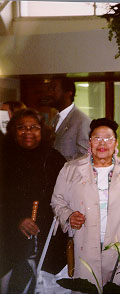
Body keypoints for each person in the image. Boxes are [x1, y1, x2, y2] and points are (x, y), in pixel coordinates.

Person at [51, 118, 120, 289]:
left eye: (108, 138)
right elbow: (57, 201)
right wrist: (68, 216)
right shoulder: (71, 169)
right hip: (85, 243)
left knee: (119, 288)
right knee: (88, 288)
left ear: (116, 142)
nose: (102, 143)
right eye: (97, 138)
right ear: (89, 142)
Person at [0, 108, 66, 293]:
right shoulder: (4, 158)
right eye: (21, 127)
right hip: (9, 239)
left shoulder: (53, 157)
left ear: (42, 131)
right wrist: (17, 219)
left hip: (47, 239)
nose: (28, 132)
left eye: (34, 127)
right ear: (12, 130)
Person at [48, 77, 91, 161]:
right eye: (49, 89)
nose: (49, 93)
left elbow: (84, 156)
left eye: (54, 89)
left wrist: (59, 164)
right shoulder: (54, 119)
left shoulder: (82, 121)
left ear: (68, 93)